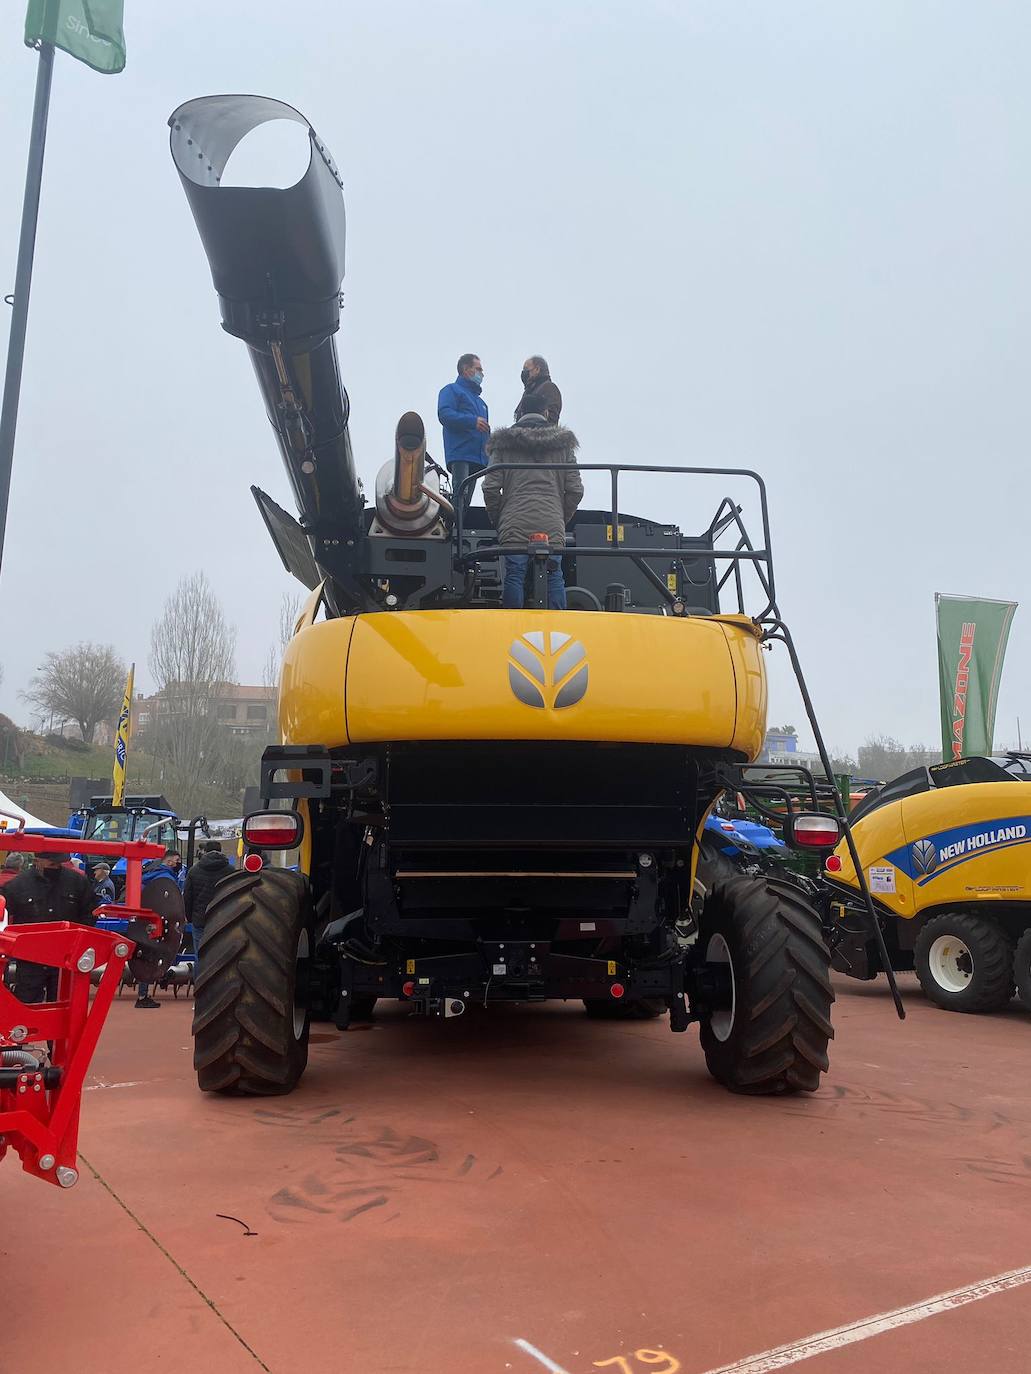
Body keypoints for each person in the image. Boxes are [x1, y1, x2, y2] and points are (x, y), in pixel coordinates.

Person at [483, 413, 583, 609]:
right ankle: (557, 628)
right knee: (554, 575)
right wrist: (561, 516)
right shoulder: (563, 446)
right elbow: (575, 489)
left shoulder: (504, 445)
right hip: (551, 521)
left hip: (514, 520)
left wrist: (498, 518)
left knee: (514, 574)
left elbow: (490, 488)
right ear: (546, 414)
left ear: (519, 416)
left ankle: (512, 628)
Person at [4, 852, 97, 1004]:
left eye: (59, 864)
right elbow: (4, 916)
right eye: (52, 864)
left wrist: (78, 943)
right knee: (27, 1006)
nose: (56, 867)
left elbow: (90, 913)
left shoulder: (77, 883)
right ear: (37, 860)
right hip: (30, 959)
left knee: (64, 1006)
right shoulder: (18, 886)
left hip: (65, 959)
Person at [437, 353, 490, 511]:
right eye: (478, 369)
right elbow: (445, 414)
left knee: (466, 500)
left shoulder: (481, 403)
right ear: (466, 369)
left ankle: (459, 524)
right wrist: (472, 422)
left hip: (477, 458)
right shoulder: (451, 390)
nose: (482, 373)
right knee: (460, 495)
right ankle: (454, 528)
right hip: (460, 453)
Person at [184, 841, 231, 959]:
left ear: (205, 851)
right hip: (223, 919)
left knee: (200, 956)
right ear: (220, 850)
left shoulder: (194, 870)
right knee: (221, 956)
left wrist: (190, 917)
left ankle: (200, 977)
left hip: (200, 919)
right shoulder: (231, 870)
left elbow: (188, 897)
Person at [514, 355, 562, 424]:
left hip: (539, 433)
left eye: (526, 369)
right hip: (524, 433)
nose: (523, 373)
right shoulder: (529, 391)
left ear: (537, 369)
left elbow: (551, 420)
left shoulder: (549, 388)